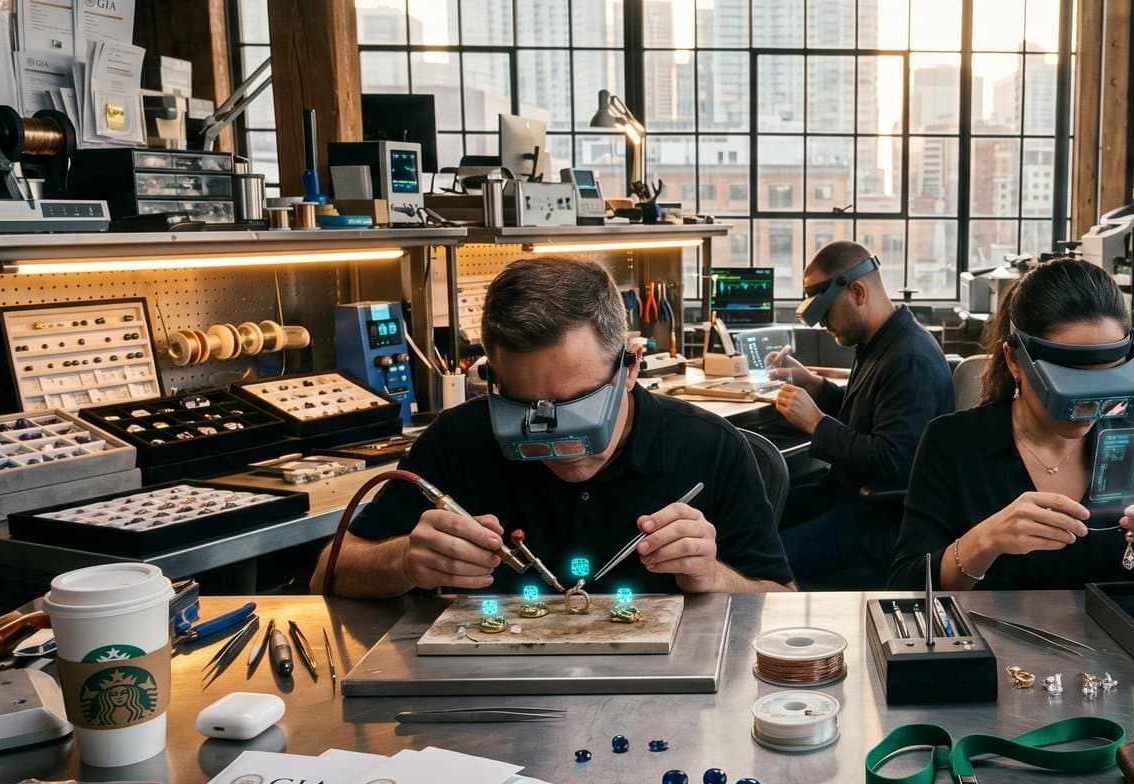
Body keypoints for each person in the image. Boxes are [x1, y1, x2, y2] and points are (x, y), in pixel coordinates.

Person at [322, 256, 794, 598]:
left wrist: (714, 577)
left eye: (578, 408)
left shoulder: (710, 448)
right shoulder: (458, 440)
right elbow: (330, 570)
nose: (559, 442)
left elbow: (781, 599)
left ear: (630, 367)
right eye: (524, 411)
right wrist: (404, 561)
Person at [889, 258, 1134, 589]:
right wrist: (985, 542)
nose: (1089, 404)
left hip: (1111, 639)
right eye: (1071, 382)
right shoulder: (952, 444)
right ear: (1014, 360)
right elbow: (906, 586)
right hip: (989, 639)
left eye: (1106, 379)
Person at [767, 242, 953, 581]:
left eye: (826, 312)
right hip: (848, 499)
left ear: (857, 291)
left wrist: (816, 423)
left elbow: (892, 459)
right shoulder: (879, 343)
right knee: (757, 518)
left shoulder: (910, 359)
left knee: (765, 561)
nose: (822, 323)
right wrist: (816, 387)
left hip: (881, 520)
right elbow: (868, 418)